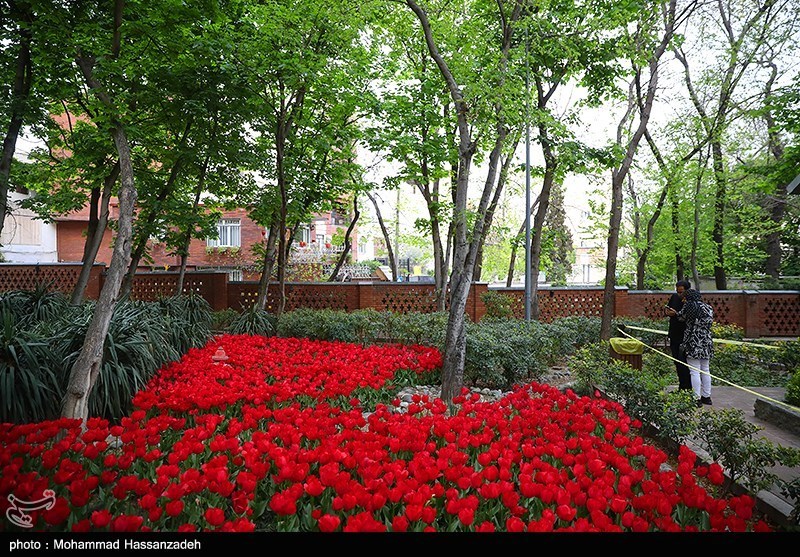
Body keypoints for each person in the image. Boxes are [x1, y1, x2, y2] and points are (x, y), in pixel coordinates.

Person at [671, 289, 715, 407]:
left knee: (694, 370)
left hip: (693, 341)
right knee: (705, 369)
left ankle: (696, 398)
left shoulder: (690, 307)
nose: (683, 300)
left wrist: (674, 312)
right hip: (706, 341)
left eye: (685, 298)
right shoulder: (708, 308)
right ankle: (707, 396)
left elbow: (681, 317)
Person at [665, 280, 692, 391]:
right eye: (677, 291)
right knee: (677, 362)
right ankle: (682, 387)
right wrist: (668, 312)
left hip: (686, 336)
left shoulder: (691, 302)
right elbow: (667, 309)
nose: (679, 294)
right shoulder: (674, 297)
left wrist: (677, 314)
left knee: (685, 363)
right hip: (674, 334)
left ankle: (689, 388)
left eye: (681, 292)